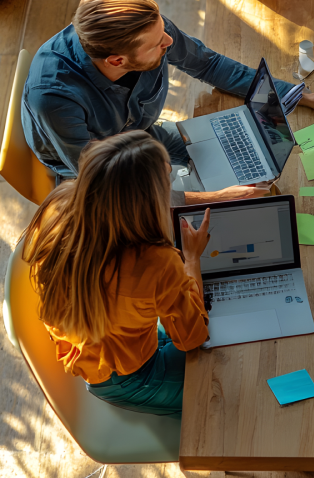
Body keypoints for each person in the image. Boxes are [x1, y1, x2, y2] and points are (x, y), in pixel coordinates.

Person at [22, 0, 314, 204]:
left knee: (250, 165)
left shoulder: (146, 26)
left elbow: (210, 65)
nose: (169, 42)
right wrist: (211, 198)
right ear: (117, 61)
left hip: (141, 134)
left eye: (163, 30)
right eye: (159, 44)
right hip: (96, 174)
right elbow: (104, 183)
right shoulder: (54, 96)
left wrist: (309, 98)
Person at [27, 131, 213, 417]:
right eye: (167, 180)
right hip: (129, 377)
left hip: (95, 347)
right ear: (145, 200)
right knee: (219, 386)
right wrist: (191, 259)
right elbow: (192, 337)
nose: (171, 181)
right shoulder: (157, 263)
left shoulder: (58, 205)